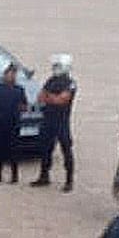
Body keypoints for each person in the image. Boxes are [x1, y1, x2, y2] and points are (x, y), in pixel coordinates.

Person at [31, 53, 77, 192]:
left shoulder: (70, 83)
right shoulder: (51, 80)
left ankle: (69, 180)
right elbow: (40, 97)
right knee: (45, 149)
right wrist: (51, 97)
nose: (55, 68)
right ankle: (44, 176)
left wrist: (49, 96)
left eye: (57, 66)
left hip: (61, 121)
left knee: (66, 149)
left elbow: (61, 100)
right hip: (48, 119)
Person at [0, 62, 28, 183]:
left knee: (13, 150)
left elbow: (24, 105)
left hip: (13, 123)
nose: (11, 76)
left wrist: (19, 110)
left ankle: (14, 175)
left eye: (13, 74)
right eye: (9, 74)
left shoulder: (19, 90)